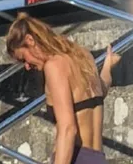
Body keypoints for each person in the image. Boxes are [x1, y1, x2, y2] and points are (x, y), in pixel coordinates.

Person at [6, 15, 119, 164]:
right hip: (97, 158)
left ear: (30, 40)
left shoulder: (54, 66)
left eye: (23, 58)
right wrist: (107, 66)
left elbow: (68, 129)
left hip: (76, 158)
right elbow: (101, 90)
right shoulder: (83, 55)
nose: (26, 66)